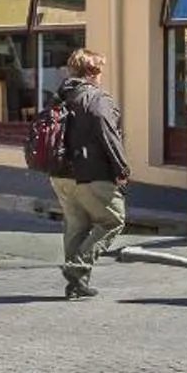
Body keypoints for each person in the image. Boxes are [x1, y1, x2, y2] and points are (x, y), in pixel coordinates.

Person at [51, 50, 130, 301]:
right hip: (91, 173)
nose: (102, 75)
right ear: (92, 73)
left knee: (76, 226)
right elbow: (109, 136)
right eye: (100, 70)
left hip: (61, 174)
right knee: (113, 221)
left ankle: (77, 285)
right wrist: (122, 169)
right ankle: (77, 268)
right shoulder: (96, 100)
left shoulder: (60, 97)